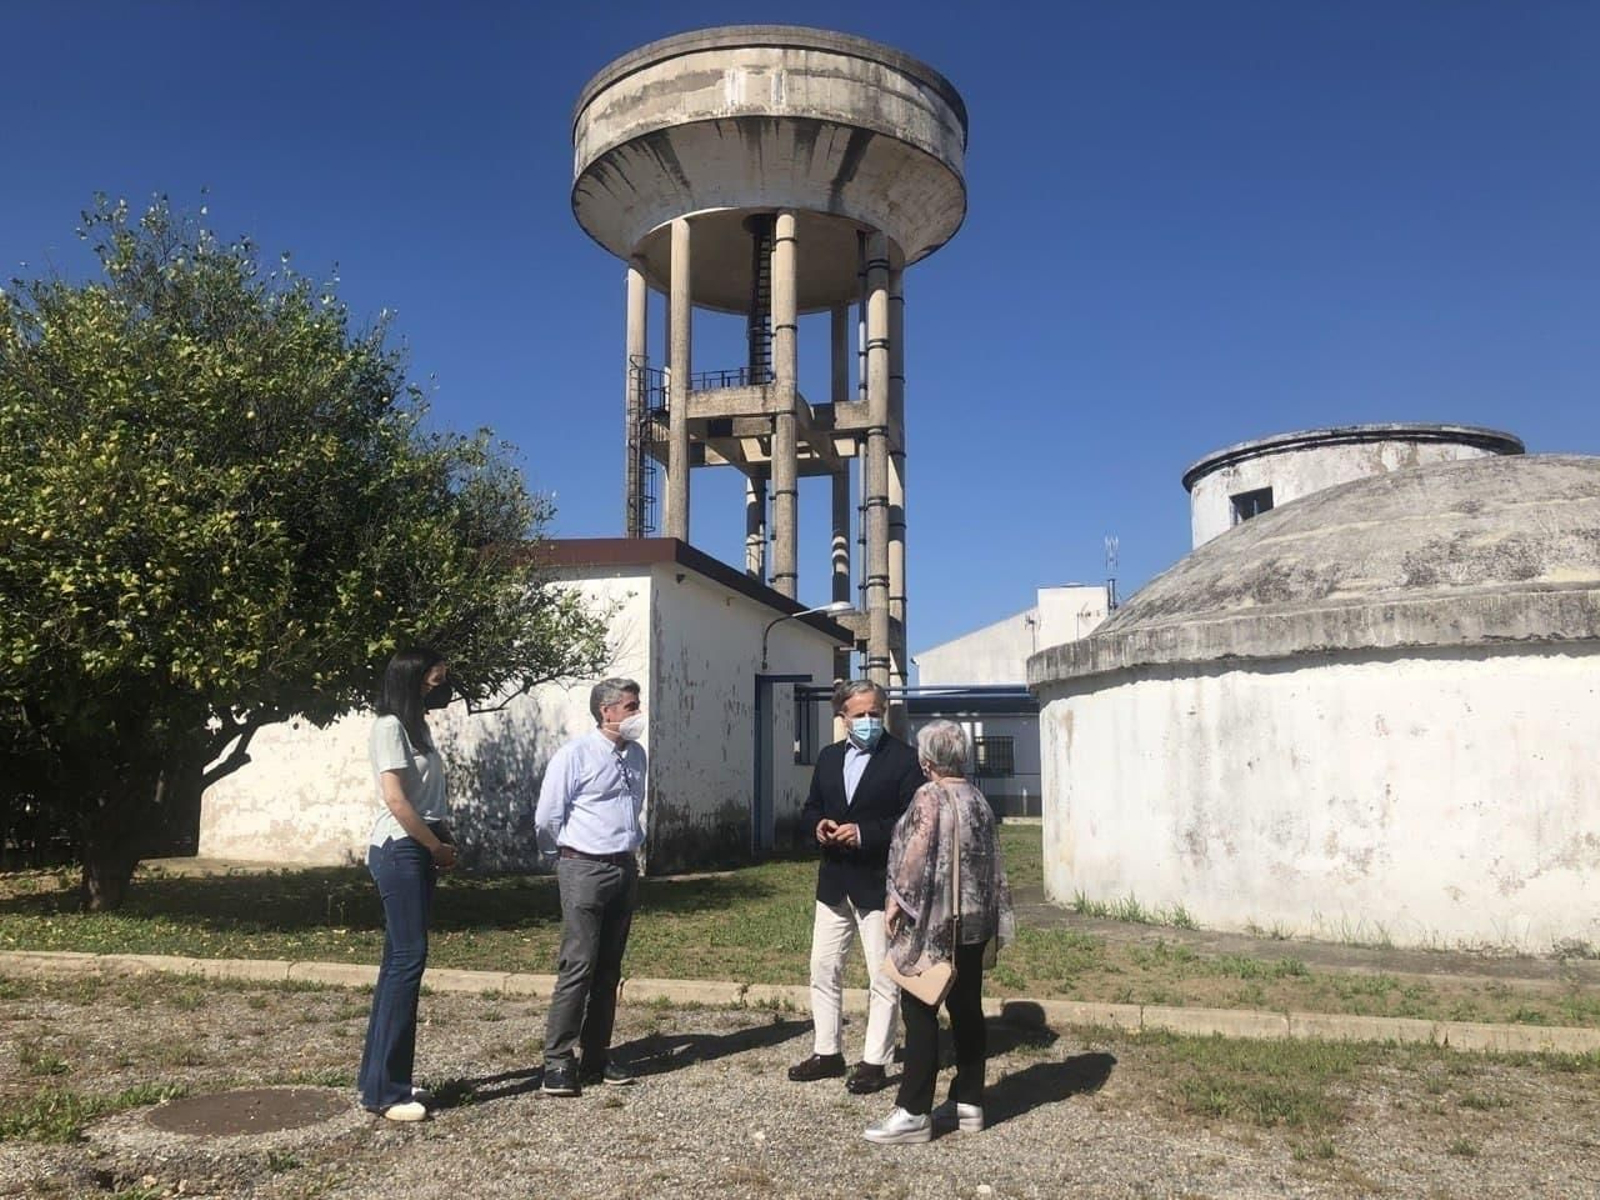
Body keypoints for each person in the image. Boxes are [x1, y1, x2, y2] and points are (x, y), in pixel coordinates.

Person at [864, 719, 1015, 1145]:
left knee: (919, 1007)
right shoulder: (976, 798)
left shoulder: (929, 796)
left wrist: (896, 900)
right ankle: (969, 1100)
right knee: (966, 1005)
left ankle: (913, 1110)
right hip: (974, 921)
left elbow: (914, 855)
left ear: (926, 759)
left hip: (934, 923)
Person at [789, 679, 924, 1095]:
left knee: (882, 976)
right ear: (842, 717)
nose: (868, 721)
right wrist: (819, 825)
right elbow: (812, 806)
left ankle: (875, 1060)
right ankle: (826, 1051)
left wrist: (865, 833)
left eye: (874, 714)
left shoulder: (903, 760)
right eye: (859, 714)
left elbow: (911, 820)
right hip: (833, 883)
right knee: (823, 968)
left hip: (879, 885)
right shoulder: (829, 759)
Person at [358, 647, 458, 1122]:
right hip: (400, 849)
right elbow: (397, 801)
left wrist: (443, 837)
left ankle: (380, 1080)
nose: (440, 689)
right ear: (413, 680)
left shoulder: (417, 728)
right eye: (435, 681)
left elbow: (426, 796)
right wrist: (435, 847)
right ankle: (387, 1093)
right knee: (407, 959)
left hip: (421, 845)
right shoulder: (389, 728)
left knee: (397, 962)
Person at [535, 677, 647, 1096]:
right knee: (578, 965)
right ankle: (558, 1060)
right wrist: (561, 856)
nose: (638, 714)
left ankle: (596, 1054)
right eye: (631, 706)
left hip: (623, 866)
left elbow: (633, 806)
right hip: (583, 865)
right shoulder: (575, 755)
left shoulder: (636, 755)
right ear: (607, 711)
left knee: (609, 968)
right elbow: (548, 815)